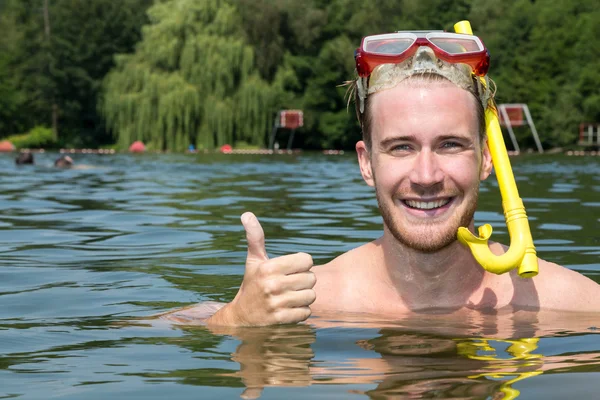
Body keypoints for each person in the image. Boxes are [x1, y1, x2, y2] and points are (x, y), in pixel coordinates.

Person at [162, 30, 600, 327]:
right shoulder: (315, 300)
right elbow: (151, 327)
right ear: (366, 162)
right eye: (401, 147)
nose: (426, 176)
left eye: (450, 144)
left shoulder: (568, 304)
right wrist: (234, 320)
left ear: (487, 158)